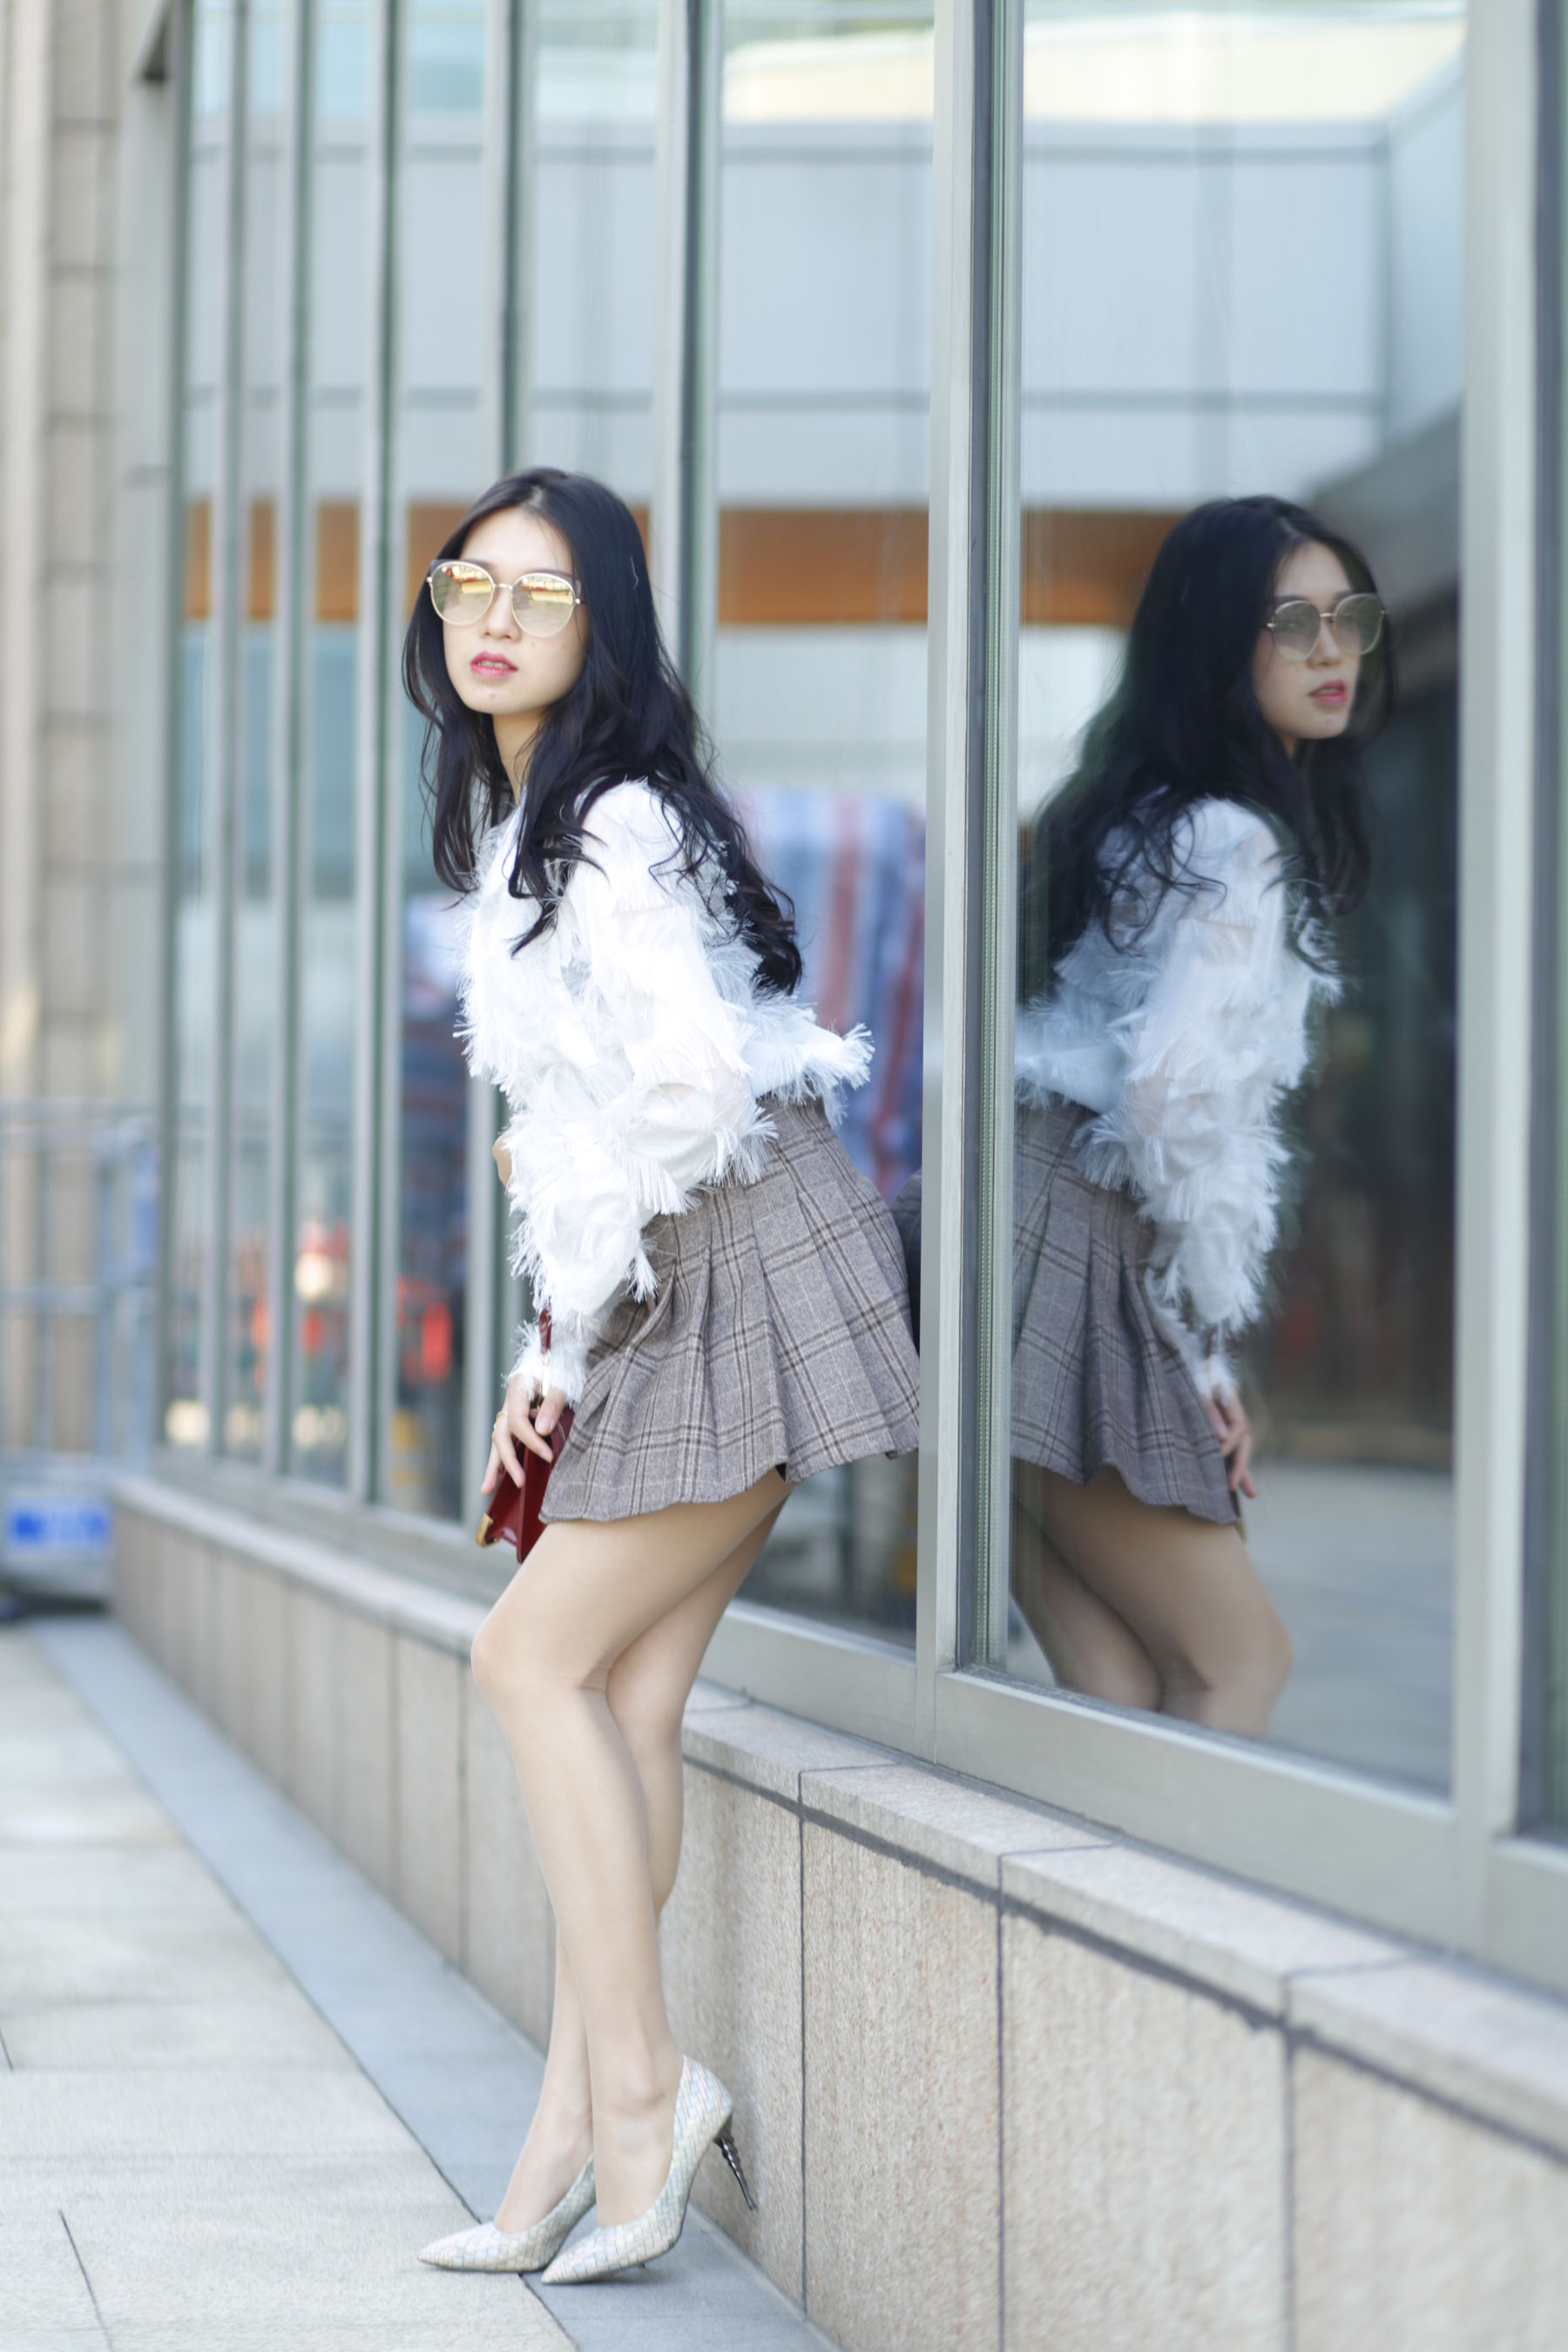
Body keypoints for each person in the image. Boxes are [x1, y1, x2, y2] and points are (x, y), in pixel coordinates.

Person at [404, 467, 920, 2284]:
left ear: (602, 629)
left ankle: (642, 2099)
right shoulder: (538, 826)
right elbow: (586, 1135)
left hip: (739, 1262)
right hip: (672, 1277)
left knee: (525, 1656)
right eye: (471, 583)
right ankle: (567, 2149)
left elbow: (691, 1095)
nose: (493, 621)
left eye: (540, 597)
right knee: (623, 1698)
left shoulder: (610, 827)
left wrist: (567, 1288)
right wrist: (550, 1348)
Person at [896, 493, 1393, 1735]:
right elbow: (1169, 1104)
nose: (1332, 650)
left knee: (1117, 1690)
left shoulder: (1132, 823)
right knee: (1239, 1664)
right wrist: (1200, 1348)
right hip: (1072, 1239)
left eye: (1350, 619)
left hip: (987, 1227)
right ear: (1217, 641)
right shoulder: (1240, 846)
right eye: (1293, 623)